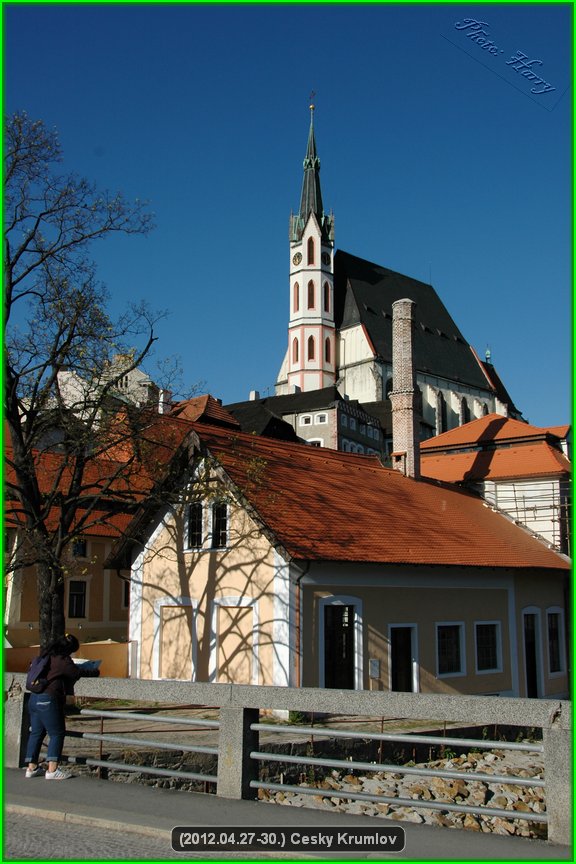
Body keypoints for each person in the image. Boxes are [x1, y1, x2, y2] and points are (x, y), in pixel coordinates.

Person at [24, 633, 100, 780]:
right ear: (69, 649)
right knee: (57, 733)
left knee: (36, 733)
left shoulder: (43, 656)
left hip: (33, 698)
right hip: (48, 699)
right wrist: (94, 670)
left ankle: (31, 768)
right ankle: (52, 770)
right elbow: (76, 672)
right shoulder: (62, 659)